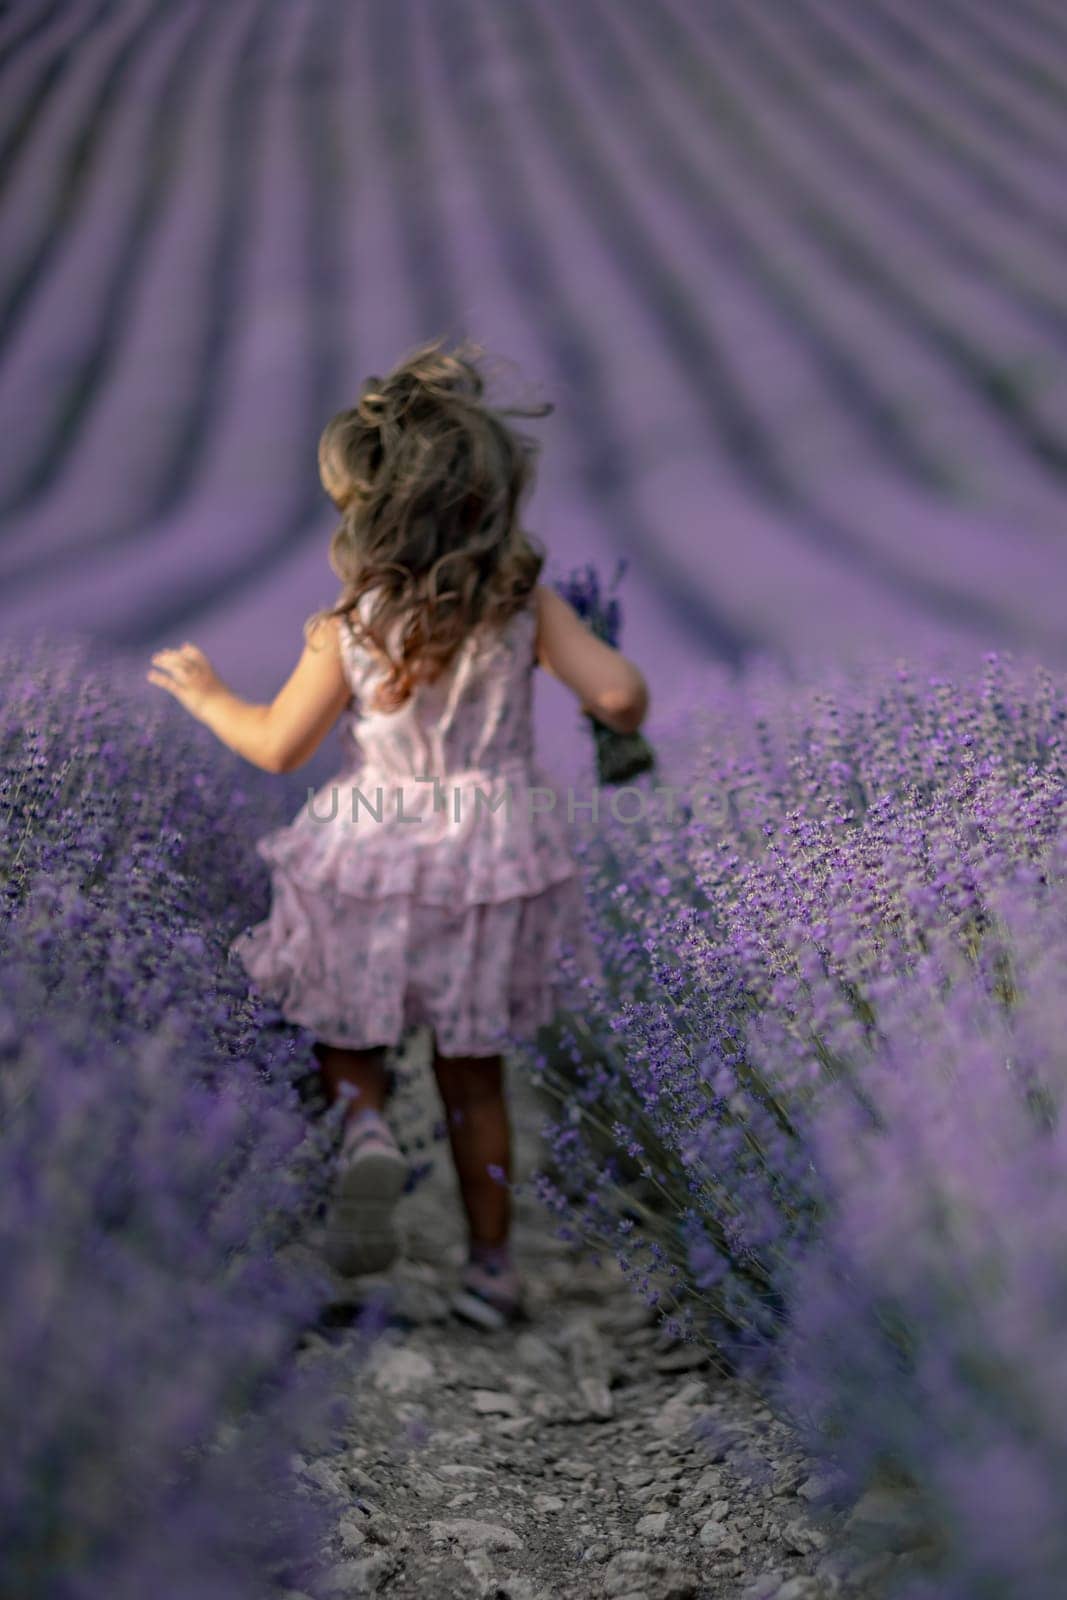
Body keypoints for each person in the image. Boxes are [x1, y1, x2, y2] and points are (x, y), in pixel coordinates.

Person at [146, 337, 649, 1330]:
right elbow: (622, 696)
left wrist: (208, 699)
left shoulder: (349, 622)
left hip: (369, 843)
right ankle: (492, 1269)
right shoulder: (521, 606)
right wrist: (607, 704)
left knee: (346, 1030)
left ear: (367, 511)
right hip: (490, 845)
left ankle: (366, 1124)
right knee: (473, 1074)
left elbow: (281, 747)